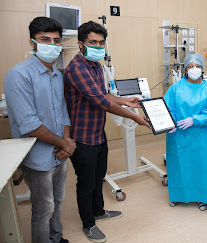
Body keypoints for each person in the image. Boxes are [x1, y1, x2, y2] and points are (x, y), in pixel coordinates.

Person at [63, 21, 150, 242]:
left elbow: (105, 94)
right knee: (86, 182)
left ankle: (99, 211)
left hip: (97, 134)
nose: (98, 47)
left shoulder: (96, 66)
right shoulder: (77, 68)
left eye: (101, 43)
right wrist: (134, 117)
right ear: (81, 44)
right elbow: (101, 101)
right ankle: (88, 224)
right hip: (82, 137)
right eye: (93, 42)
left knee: (99, 176)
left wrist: (126, 101)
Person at [4, 17, 74, 243]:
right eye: (45, 39)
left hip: (60, 153)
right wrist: (64, 143)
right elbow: (30, 124)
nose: (52, 45)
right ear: (32, 43)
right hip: (37, 155)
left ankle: (57, 237)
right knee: (44, 208)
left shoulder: (56, 74)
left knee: (59, 200)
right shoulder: (19, 74)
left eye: (56, 41)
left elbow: (62, 111)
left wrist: (67, 141)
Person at [164, 54, 207, 211]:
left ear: (202, 69)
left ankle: (204, 197)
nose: (194, 69)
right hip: (179, 135)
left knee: (203, 166)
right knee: (179, 164)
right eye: (190, 66)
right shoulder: (175, 88)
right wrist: (170, 123)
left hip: (202, 135)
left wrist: (195, 119)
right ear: (185, 69)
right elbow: (169, 108)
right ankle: (178, 195)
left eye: (197, 66)